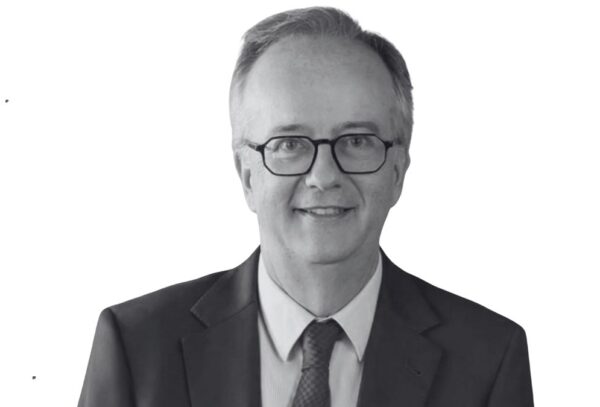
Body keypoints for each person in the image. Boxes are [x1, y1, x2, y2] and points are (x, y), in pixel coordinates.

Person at [78, 7, 534, 407]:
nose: (324, 176)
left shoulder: (489, 358)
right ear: (247, 175)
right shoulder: (137, 348)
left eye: (357, 140)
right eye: (290, 144)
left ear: (398, 171)